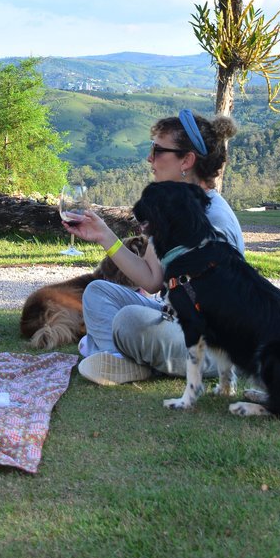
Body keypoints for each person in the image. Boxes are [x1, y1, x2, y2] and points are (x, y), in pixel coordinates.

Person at [66, 109, 243, 385]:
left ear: (187, 160)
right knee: (97, 292)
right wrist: (104, 236)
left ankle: (122, 357)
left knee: (129, 320)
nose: (150, 158)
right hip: (174, 319)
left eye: (158, 150)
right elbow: (151, 279)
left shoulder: (213, 220)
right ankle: (120, 359)